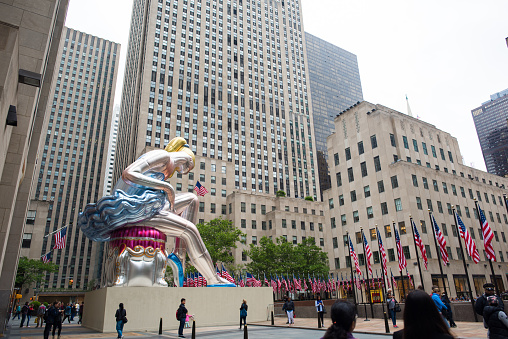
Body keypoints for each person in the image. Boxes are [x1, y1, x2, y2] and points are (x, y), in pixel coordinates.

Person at [78, 137, 233, 287]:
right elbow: (129, 173)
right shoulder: (164, 156)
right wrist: (167, 188)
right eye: (187, 167)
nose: (184, 171)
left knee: (192, 199)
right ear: (187, 159)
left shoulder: (166, 165)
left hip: (149, 204)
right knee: (190, 230)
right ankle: (213, 279)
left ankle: (178, 255)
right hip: (137, 210)